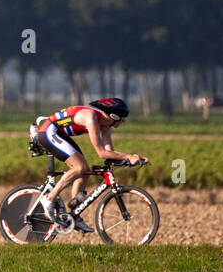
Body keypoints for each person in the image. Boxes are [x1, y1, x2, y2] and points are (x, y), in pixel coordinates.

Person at [33, 97, 145, 232]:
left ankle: (74, 216)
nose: (124, 121)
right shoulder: (91, 118)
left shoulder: (106, 125)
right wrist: (130, 156)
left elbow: (109, 152)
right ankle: (49, 199)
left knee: (84, 172)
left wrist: (128, 160)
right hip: (49, 132)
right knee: (79, 168)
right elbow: (102, 153)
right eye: (122, 117)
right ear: (113, 116)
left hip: (59, 134)